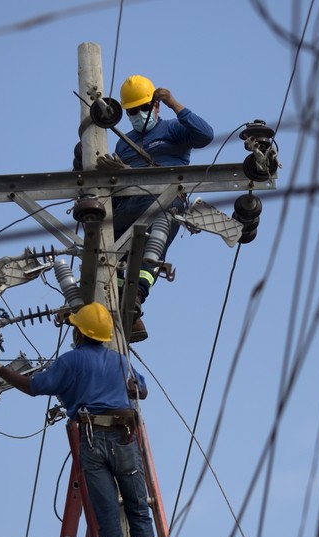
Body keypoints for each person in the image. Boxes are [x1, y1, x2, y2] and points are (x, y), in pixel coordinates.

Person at [0, 302, 162, 537]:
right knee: (138, 509)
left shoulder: (72, 361)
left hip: (92, 438)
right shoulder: (120, 361)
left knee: (107, 517)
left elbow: (34, 386)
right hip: (125, 436)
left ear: (78, 332)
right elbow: (141, 390)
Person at [101, 74, 215, 343]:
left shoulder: (171, 130)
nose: (139, 114)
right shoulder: (123, 142)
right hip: (129, 205)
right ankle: (113, 305)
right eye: (132, 111)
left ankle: (135, 298)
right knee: (104, 246)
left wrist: (175, 103)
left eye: (144, 107)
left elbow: (205, 135)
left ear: (155, 106)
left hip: (164, 200)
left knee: (153, 243)